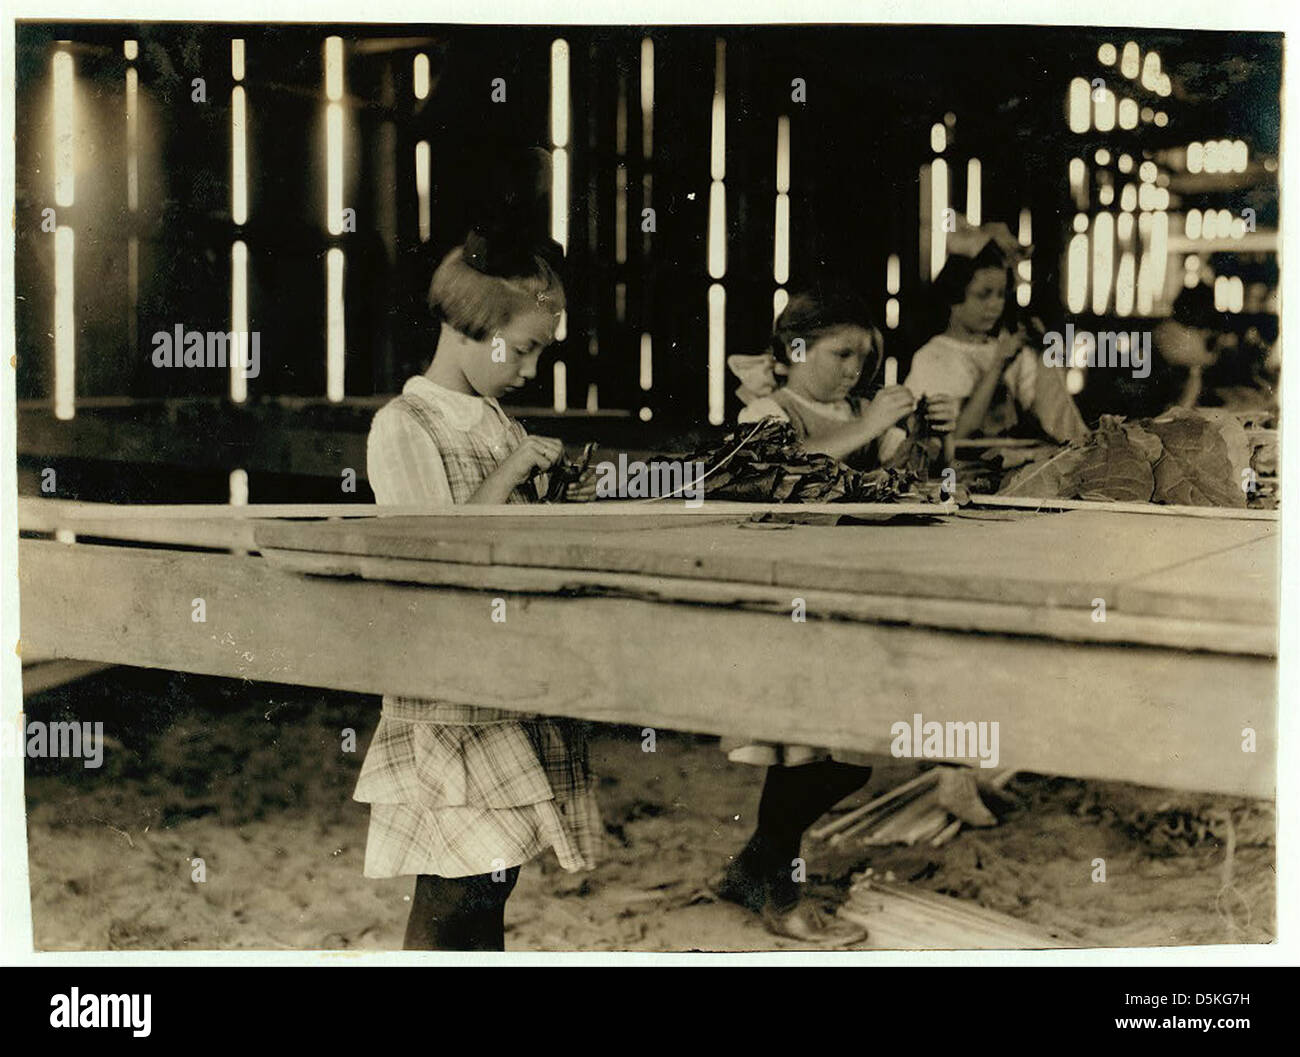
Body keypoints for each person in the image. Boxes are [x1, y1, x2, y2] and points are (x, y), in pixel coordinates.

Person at [356, 228, 598, 950]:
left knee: (494, 872)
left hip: (505, 678)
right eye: (520, 349)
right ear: (465, 329)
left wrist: (554, 499)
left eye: (540, 352)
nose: (530, 366)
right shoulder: (404, 425)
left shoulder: (495, 421)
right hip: (448, 689)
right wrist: (512, 473)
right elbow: (436, 551)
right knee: (455, 880)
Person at [713, 282, 957, 947]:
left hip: (840, 599)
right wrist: (876, 424)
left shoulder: (856, 410)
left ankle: (754, 870)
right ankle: (782, 894)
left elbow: (909, 487)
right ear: (792, 351)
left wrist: (933, 441)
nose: (855, 371)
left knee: (824, 750)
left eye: (865, 358)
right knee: (800, 750)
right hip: (779, 596)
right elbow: (772, 476)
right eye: (842, 354)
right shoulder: (769, 410)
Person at [899, 230, 1087, 446]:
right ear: (954, 297)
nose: (995, 305)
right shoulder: (932, 357)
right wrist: (998, 366)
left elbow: (1055, 419)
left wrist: (1043, 354)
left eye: (1000, 294)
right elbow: (956, 438)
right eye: (983, 294)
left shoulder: (1007, 349)